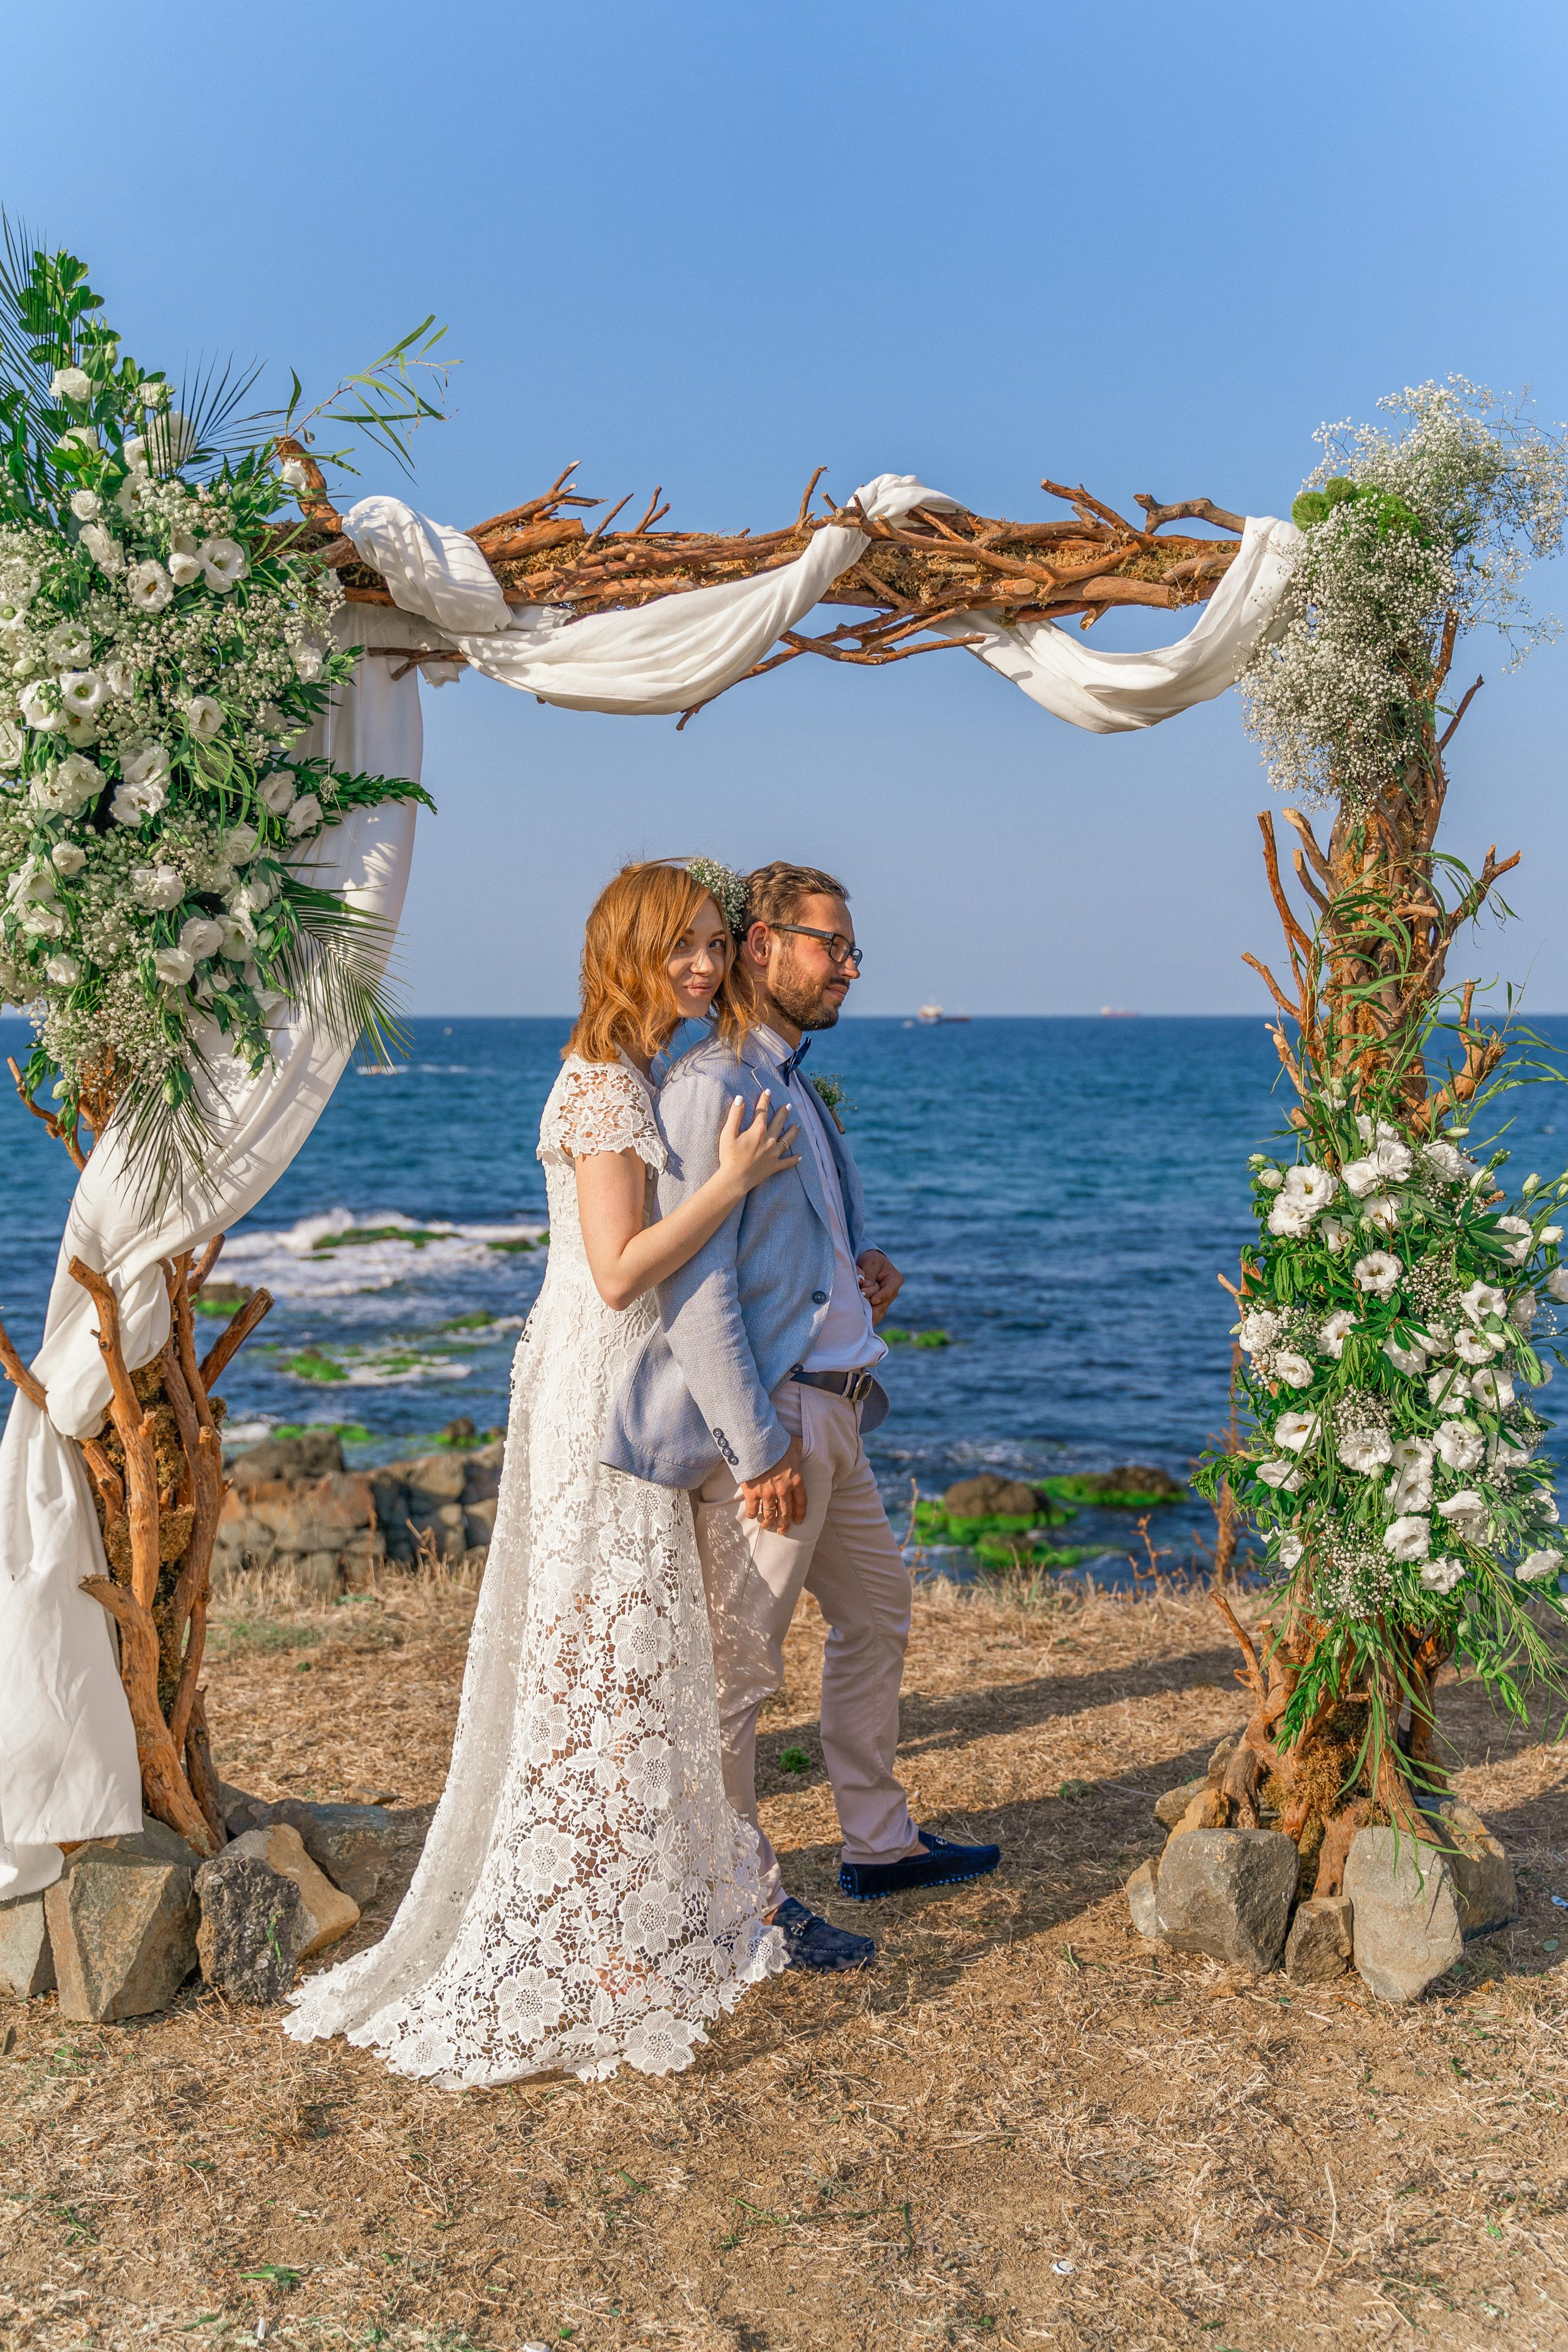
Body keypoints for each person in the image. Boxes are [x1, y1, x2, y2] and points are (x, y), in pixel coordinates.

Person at [286, 860, 801, 2084]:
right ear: (623, 950)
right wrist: (729, 1184)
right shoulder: (602, 1089)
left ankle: (628, 1910)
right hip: (596, 1394)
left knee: (617, 1652)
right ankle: (597, 1934)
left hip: (597, 1383)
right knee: (601, 1652)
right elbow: (621, 1270)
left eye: (715, 946)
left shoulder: (630, 1072)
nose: (705, 967)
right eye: (679, 948)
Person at [605, 861, 1000, 1971]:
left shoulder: (792, 1083)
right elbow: (694, 1290)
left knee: (878, 1614)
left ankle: (876, 1842)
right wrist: (756, 1443)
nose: (852, 970)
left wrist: (853, 1271)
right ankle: (743, 1903)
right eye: (834, 946)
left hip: (840, 1418)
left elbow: (781, 1256)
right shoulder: (710, 1086)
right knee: (737, 1676)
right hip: (777, 1429)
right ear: (766, 944)